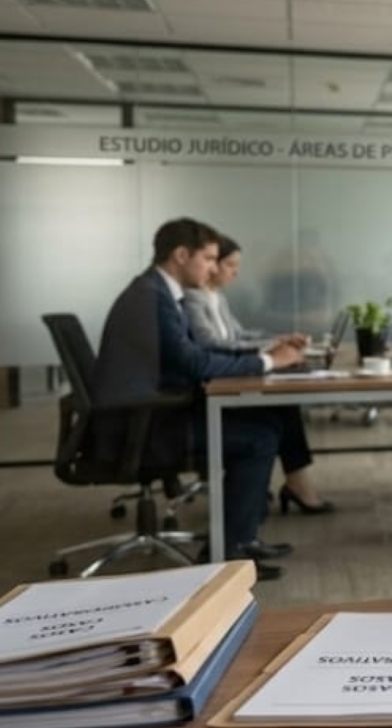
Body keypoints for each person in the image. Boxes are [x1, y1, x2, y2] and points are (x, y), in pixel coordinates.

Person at [92, 217, 307, 581]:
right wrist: (268, 361)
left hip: (149, 413)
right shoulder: (152, 298)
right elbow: (191, 360)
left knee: (268, 423)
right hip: (142, 427)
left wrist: (262, 359)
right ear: (180, 255)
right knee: (259, 438)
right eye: (208, 259)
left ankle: (242, 537)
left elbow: (189, 356)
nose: (212, 268)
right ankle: (228, 552)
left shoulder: (156, 292)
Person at [183, 234, 334, 515]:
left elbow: (240, 335)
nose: (234, 272)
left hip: (230, 376)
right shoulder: (193, 299)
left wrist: (277, 339)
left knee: (284, 406)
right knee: (275, 415)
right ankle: (287, 487)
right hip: (214, 387)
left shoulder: (216, 298)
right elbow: (210, 344)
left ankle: (292, 484)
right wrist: (269, 353)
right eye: (228, 264)